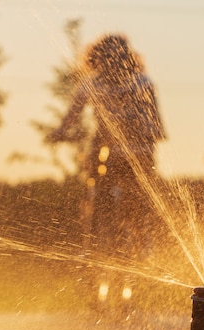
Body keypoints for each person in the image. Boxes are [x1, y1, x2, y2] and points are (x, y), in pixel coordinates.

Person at [47, 34, 166, 302]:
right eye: (106, 56)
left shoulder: (142, 83)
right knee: (99, 205)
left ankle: (141, 245)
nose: (112, 61)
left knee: (136, 208)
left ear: (127, 58)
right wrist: (60, 132)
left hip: (138, 154)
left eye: (118, 55)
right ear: (96, 59)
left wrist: (141, 136)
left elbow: (155, 125)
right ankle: (95, 248)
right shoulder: (91, 84)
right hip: (106, 155)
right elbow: (72, 115)